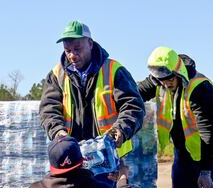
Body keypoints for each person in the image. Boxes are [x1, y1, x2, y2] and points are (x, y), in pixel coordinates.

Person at [137, 47, 213, 188]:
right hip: (184, 152)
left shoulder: (199, 88)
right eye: (160, 80)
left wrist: (205, 172)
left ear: (178, 72)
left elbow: (207, 132)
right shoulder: (160, 79)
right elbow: (134, 94)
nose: (164, 84)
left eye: (168, 79)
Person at [40, 20, 144, 160]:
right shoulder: (56, 75)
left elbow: (133, 105)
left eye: (77, 49)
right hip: (73, 157)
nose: (72, 55)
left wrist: (121, 129)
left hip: (110, 155)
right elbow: (48, 109)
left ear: (90, 43)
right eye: (68, 50)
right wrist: (57, 131)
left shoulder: (114, 70)